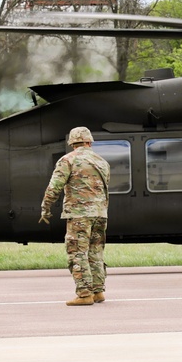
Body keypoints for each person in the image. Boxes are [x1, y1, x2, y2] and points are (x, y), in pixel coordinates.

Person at [41, 126, 110, 306]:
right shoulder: (102, 161)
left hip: (79, 215)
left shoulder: (67, 160)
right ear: (89, 142)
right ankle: (98, 291)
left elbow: (55, 187)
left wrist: (45, 207)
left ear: (72, 143)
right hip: (100, 214)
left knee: (77, 252)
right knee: (96, 252)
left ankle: (84, 293)